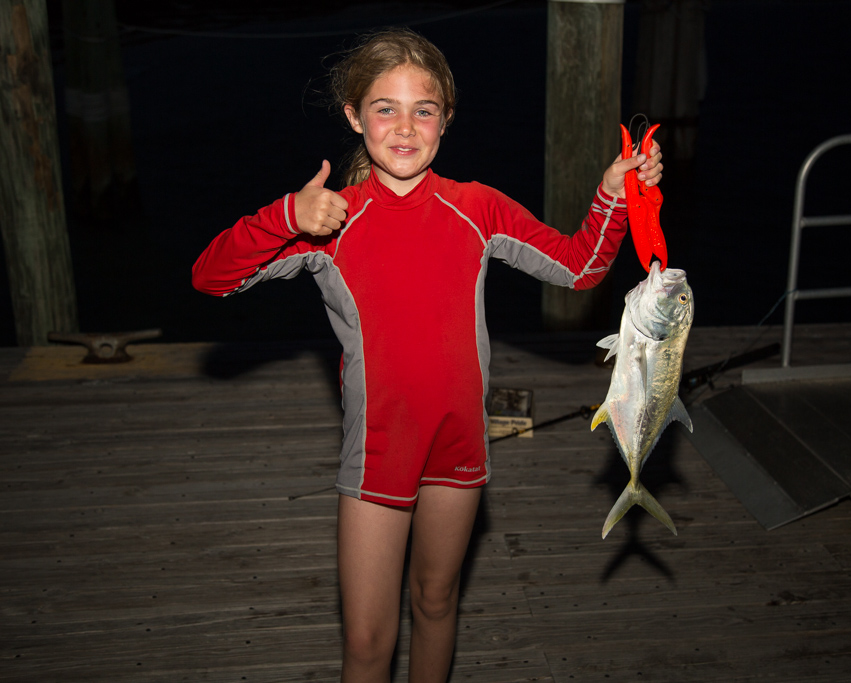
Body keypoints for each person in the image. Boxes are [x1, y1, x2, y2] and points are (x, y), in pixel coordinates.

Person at [192, 27, 662, 683]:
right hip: (379, 453)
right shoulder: (330, 220)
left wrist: (616, 191)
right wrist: (286, 215)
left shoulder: (478, 207)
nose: (405, 126)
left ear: (446, 118)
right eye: (385, 107)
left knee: (437, 600)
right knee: (365, 641)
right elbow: (210, 277)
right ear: (356, 117)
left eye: (424, 108)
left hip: (459, 445)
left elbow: (581, 266)